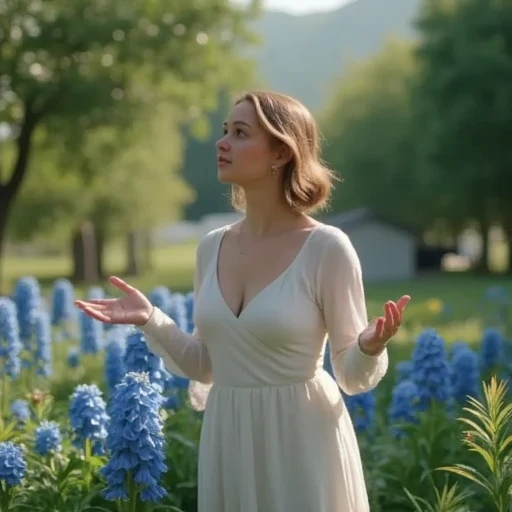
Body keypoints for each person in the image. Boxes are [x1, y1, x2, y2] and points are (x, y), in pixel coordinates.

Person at [76, 90, 410, 512]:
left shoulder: (327, 248)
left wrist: (369, 346)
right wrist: (151, 320)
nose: (222, 142)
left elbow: (351, 376)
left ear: (281, 153)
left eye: (239, 133)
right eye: (224, 131)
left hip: (302, 439)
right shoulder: (210, 247)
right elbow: (208, 365)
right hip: (228, 435)